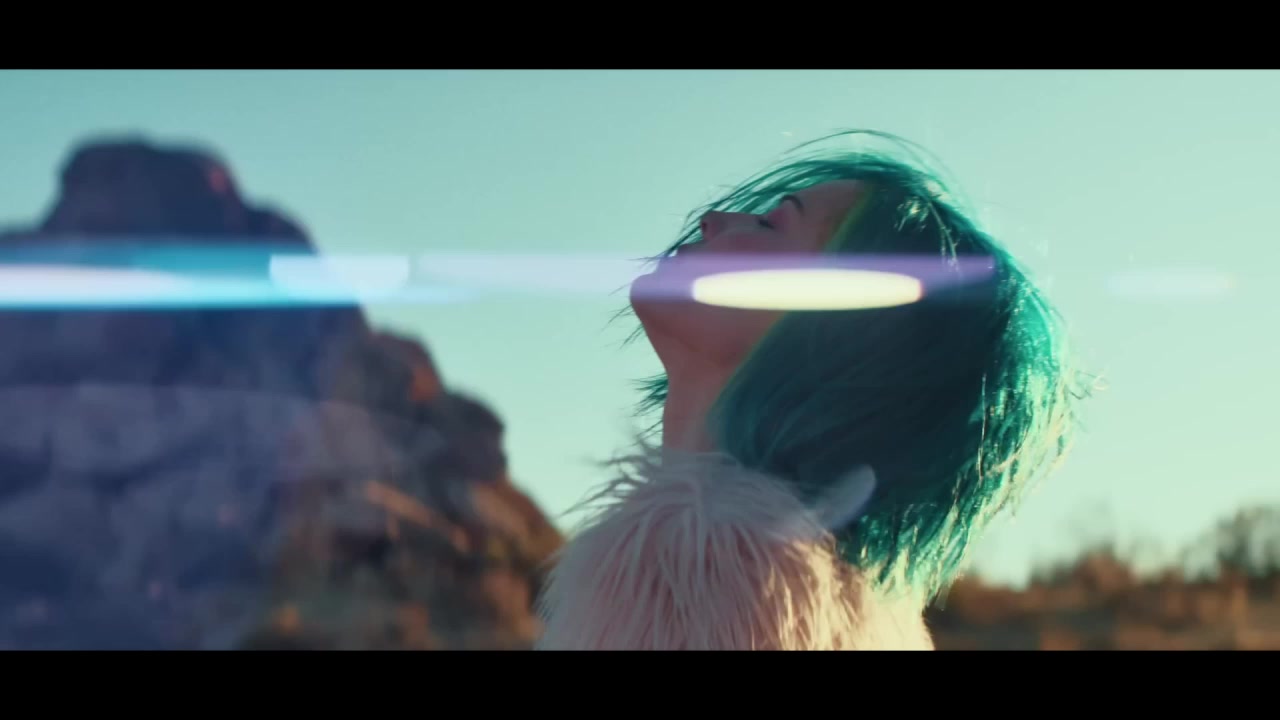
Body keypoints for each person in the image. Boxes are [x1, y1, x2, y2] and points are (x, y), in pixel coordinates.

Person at [534, 131, 1090, 650]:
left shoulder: (723, 601)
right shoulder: (792, 603)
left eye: (771, 224)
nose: (713, 220)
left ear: (847, 332)